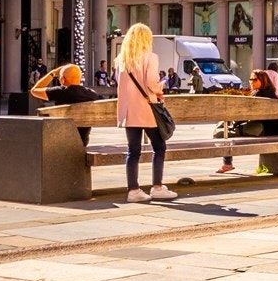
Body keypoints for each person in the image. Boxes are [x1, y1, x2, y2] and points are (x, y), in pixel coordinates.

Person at [115, 23, 176, 202]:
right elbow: (151, 83)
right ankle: (157, 187)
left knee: (132, 151)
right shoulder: (150, 57)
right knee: (159, 146)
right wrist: (162, 85)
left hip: (127, 110)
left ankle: (133, 191)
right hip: (146, 108)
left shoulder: (121, 59)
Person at [217, 68, 278, 173]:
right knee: (227, 129)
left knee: (224, 133)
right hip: (273, 129)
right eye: (250, 79)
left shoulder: (258, 94)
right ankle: (227, 164)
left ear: (263, 80)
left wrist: (234, 123)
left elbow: (244, 115)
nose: (252, 82)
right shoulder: (271, 94)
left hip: (261, 130)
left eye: (255, 80)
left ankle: (227, 163)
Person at [31, 63, 102, 144]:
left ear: (63, 79)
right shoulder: (92, 94)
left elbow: (34, 90)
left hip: (61, 140)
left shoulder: (60, 92)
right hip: (82, 141)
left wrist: (52, 73)